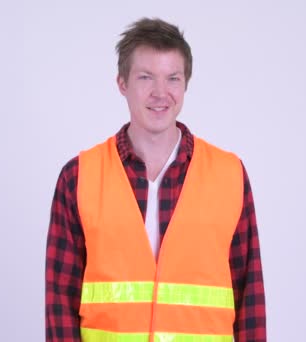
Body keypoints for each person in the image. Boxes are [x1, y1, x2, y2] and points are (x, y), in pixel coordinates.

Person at [45, 17, 266, 341]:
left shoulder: (229, 174)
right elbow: (60, 301)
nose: (161, 93)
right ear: (122, 83)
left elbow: (250, 297)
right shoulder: (78, 177)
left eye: (173, 78)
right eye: (146, 77)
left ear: (186, 84)